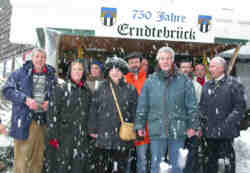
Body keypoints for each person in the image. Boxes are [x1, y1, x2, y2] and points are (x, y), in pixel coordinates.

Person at [134, 47, 200, 173]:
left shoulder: (184, 80)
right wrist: (139, 125)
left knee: (177, 166)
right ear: (158, 61)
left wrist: (193, 125)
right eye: (162, 58)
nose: (165, 61)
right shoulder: (150, 81)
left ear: (173, 60)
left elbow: (192, 106)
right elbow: (142, 105)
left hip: (178, 130)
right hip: (156, 129)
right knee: (156, 166)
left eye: (168, 58)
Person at [2, 48, 57, 173]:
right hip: (24, 121)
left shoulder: (51, 75)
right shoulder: (20, 73)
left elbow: (57, 95)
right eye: (37, 56)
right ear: (32, 58)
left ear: (45, 59)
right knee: (22, 159)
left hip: (43, 121)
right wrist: (25, 100)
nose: (39, 59)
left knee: (37, 159)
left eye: (42, 57)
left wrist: (50, 102)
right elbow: (7, 90)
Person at [88, 57, 138, 173]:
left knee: (121, 167)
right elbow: (93, 110)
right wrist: (92, 128)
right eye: (112, 69)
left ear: (123, 72)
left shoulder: (130, 89)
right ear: (108, 72)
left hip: (123, 136)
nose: (115, 72)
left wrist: (137, 128)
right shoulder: (100, 88)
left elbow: (135, 111)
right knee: (102, 167)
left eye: (118, 69)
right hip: (103, 135)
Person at [199, 56, 246, 173]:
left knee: (227, 164)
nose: (210, 69)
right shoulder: (207, 85)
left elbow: (240, 108)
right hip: (209, 133)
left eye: (213, 66)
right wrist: (201, 123)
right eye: (210, 67)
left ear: (222, 68)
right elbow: (202, 107)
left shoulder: (233, 84)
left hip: (226, 134)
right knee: (209, 163)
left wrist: (226, 124)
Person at [45, 59, 92, 173]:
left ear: (83, 72)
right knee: (62, 167)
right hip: (63, 137)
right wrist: (53, 137)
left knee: (78, 167)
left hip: (81, 138)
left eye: (80, 69)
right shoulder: (60, 89)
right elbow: (52, 114)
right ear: (70, 71)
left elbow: (90, 115)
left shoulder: (87, 92)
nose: (77, 72)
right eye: (74, 69)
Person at [124, 52, 149, 173]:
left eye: (136, 62)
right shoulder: (123, 80)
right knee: (126, 160)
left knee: (142, 159)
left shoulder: (148, 80)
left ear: (140, 63)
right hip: (127, 126)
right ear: (128, 64)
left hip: (143, 127)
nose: (134, 64)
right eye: (131, 62)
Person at [179, 60, 202, 173]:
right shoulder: (173, 85)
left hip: (192, 128)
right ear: (179, 69)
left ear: (191, 69)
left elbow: (200, 108)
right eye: (183, 67)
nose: (185, 69)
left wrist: (197, 127)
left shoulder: (197, 86)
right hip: (177, 128)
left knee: (191, 158)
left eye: (188, 67)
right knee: (178, 158)